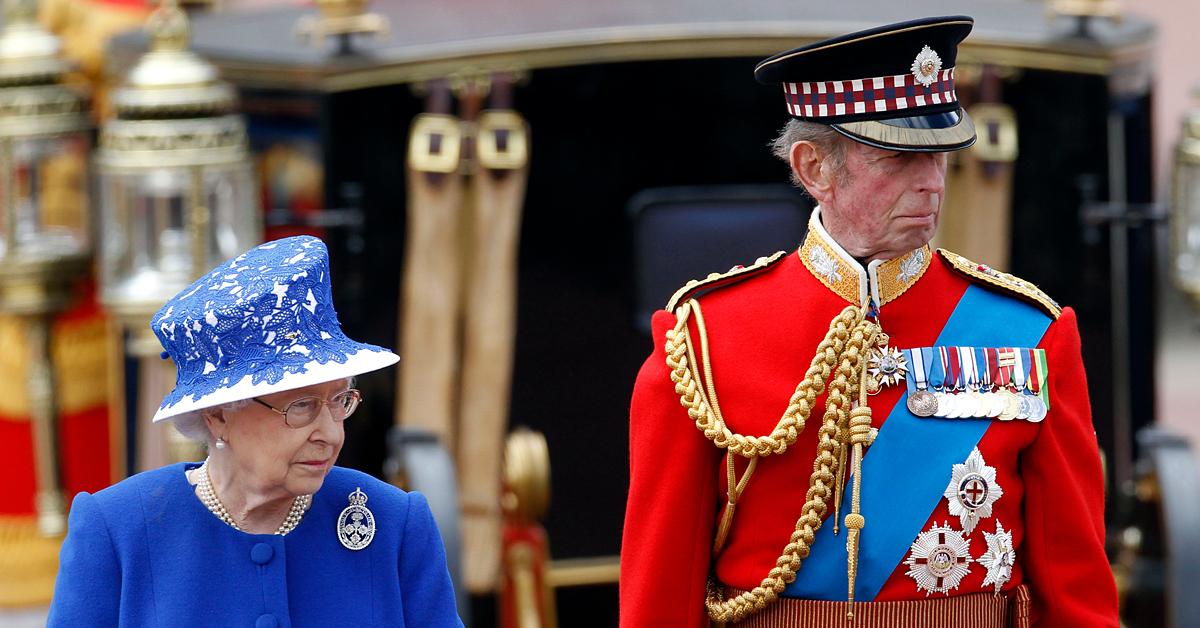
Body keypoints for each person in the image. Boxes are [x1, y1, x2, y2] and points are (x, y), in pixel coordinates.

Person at [620, 16, 1117, 627]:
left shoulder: (1029, 333)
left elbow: (1078, 594)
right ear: (814, 169)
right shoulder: (701, 341)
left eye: (939, 156)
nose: (931, 182)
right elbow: (658, 602)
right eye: (899, 157)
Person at [48, 236, 462, 627]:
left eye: (339, 401)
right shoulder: (116, 530)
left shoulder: (394, 523)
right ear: (218, 415)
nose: (331, 434)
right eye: (301, 406)